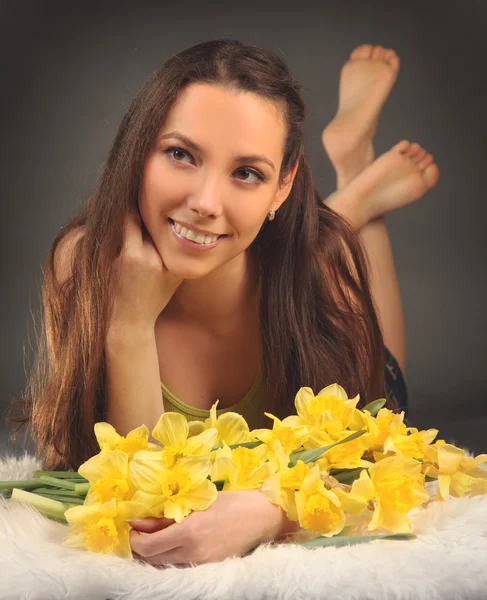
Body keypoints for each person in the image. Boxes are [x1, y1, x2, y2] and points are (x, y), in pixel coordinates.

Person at [9, 39, 439, 565]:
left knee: (344, 281)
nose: (205, 203)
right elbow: (135, 488)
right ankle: (350, 195)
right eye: (180, 154)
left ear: (283, 188)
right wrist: (130, 324)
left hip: (327, 309)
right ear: (137, 149)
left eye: (247, 173)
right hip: (285, 245)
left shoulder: (320, 271)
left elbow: (378, 452)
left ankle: (354, 177)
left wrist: (273, 511)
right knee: (319, 243)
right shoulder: (81, 264)